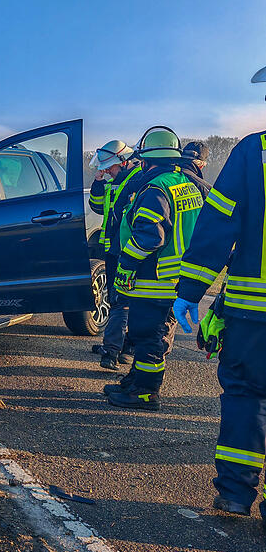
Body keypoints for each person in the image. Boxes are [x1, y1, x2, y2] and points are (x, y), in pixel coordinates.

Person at [173, 66, 266, 525]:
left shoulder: (255, 152)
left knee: (246, 396)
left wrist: (190, 290)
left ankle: (234, 494)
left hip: (254, 315)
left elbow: (217, 226)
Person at [107, 126, 204, 410]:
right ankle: (135, 381)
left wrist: (126, 263)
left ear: (147, 160)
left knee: (147, 336)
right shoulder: (184, 183)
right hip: (177, 277)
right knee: (150, 332)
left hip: (155, 279)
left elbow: (150, 236)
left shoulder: (155, 189)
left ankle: (146, 393)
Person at [87, 140, 142, 370]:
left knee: (125, 301)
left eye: (110, 166)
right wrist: (98, 183)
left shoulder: (138, 180)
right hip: (113, 249)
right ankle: (116, 345)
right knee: (115, 297)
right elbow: (98, 207)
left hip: (128, 251)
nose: (107, 170)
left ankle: (123, 349)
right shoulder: (115, 180)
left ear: (124, 161)